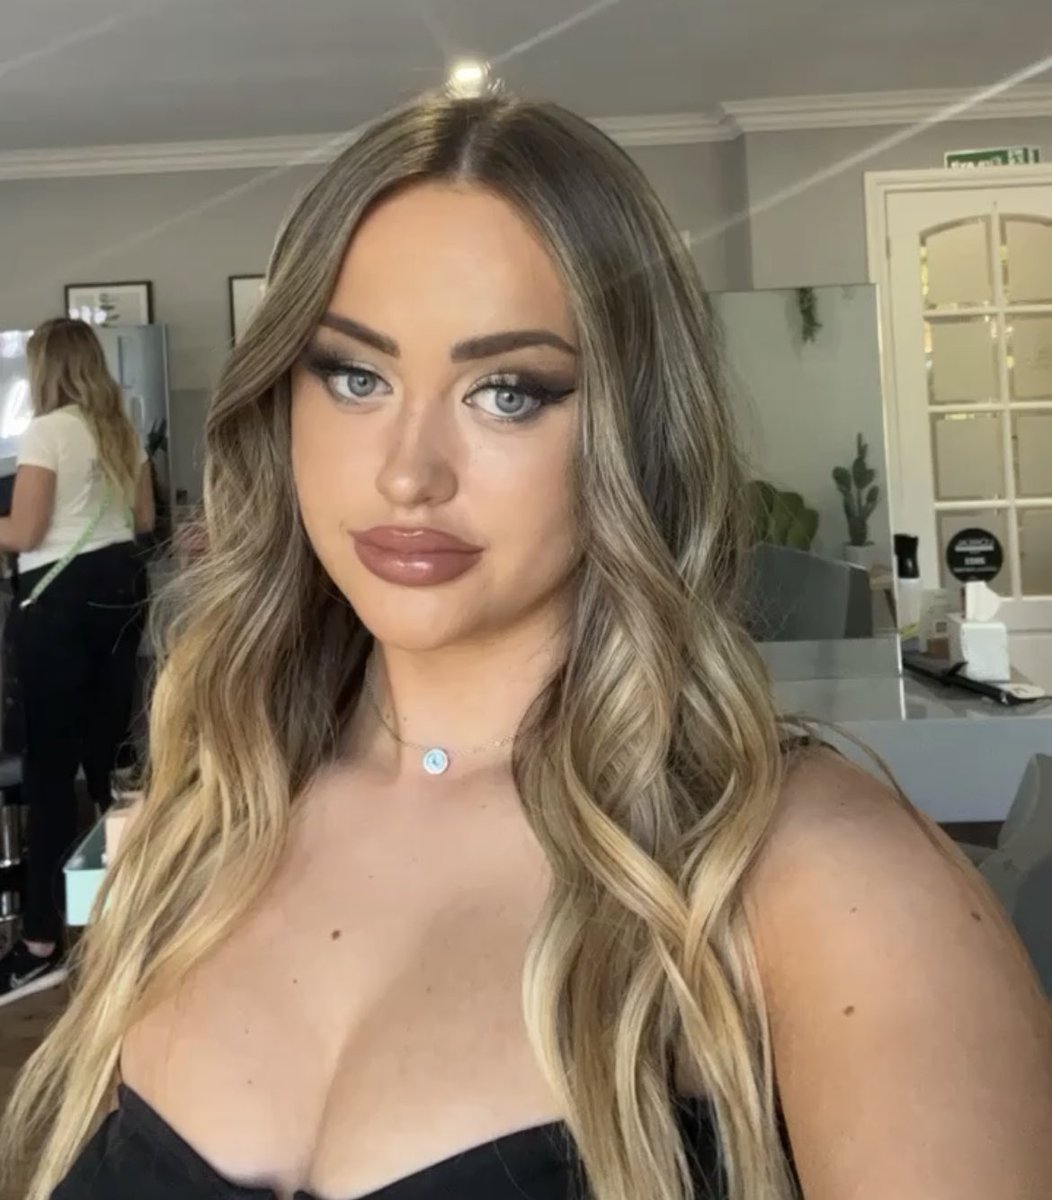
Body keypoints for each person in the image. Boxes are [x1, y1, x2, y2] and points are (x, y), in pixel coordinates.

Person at [5, 94, 1051, 1200]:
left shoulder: (823, 884)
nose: (408, 472)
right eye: (356, 377)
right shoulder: (206, 822)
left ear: (637, 428)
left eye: (507, 392)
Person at [0, 318, 154, 1002]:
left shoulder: (49, 431)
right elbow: (143, 519)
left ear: (46, 369)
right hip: (121, 591)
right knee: (109, 770)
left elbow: (25, 530)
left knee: (49, 774)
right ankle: (110, 926)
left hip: (58, 604)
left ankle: (40, 942)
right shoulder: (121, 427)